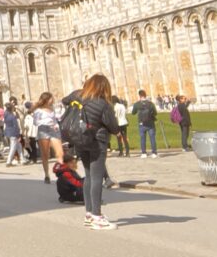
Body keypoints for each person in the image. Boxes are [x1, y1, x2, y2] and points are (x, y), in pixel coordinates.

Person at [63, 76, 120, 230]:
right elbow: (114, 127)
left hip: (80, 141)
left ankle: (89, 214)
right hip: (97, 142)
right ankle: (97, 216)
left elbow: (64, 100)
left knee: (88, 176)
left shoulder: (78, 96)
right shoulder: (103, 103)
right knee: (96, 178)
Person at [33, 92, 64, 183]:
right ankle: (46, 174)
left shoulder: (53, 108)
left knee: (60, 153)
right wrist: (47, 122)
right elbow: (36, 122)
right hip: (43, 130)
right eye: (51, 98)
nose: (53, 99)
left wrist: (55, 124)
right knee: (45, 154)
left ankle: (61, 173)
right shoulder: (38, 111)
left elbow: (55, 119)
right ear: (46, 99)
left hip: (54, 130)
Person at [130, 89, 159, 158]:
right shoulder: (150, 104)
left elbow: (133, 113)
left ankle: (144, 153)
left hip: (141, 123)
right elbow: (155, 113)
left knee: (142, 138)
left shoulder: (137, 104)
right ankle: (154, 153)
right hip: (150, 123)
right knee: (152, 138)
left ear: (139, 95)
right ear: (145, 95)